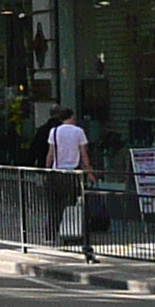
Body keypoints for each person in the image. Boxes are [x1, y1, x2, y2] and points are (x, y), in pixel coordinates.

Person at [41, 106, 91, 248]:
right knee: (72, 205)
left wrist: (47, 169)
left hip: (57, 173)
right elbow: (83, 154)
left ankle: (50, 236)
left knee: (54, 207)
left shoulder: (54, 131)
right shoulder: (78, 132)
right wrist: (89, 171)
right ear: (72, 117)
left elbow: (50, 153)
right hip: (73, 173)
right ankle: (71, 234)